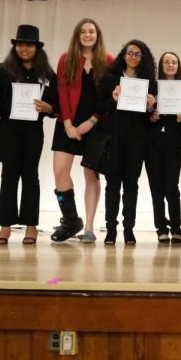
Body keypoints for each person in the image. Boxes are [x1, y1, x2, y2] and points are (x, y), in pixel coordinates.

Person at [0, 25, 58, 245]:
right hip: (8, 128)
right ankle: (5, 226)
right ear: (15, 47)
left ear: (37, 48)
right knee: (9, 175)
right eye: (20, 45)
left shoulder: (47, 74)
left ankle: (31, 226)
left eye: (29, 45)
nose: (24, 49)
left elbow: (55, 106)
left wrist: (49, 109)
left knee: (30, 176)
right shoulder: (2, 70)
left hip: (33, 130)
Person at [51, 18, 114, 243]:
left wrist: (92, 121)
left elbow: (109, 98)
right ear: (77, 35)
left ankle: (88, 227)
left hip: (96, 125)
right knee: (60, 172)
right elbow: (61, 92)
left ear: (98, 35)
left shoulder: (108, 61)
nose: (88, 35)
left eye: (92, 31)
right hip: (68, 124)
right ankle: (71, 220)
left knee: (91, 175)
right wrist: (68, 124)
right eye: (83, 32)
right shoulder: (65, 59)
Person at [100, 40, 157, 246]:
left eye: (138, 54)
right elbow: (101, 106)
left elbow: (151, 118)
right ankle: (111, 229)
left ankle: (129, 229)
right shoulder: (111, 79)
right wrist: (113, 99)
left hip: (137, 140)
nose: (133, 57)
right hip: (114, 139)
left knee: (131, 185)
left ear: (144, 58)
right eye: (129, 53)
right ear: (123, 55)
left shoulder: (149, 82)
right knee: (112, 184)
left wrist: (151, 107)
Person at [147, 52, 181, 245]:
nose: (170, 65)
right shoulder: (152, 87)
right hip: (153, 142)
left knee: (171, 187)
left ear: (178, 65)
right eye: (167, 62)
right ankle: (161, 229)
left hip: (174, 142)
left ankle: (176, 228)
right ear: (161, 65)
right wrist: (150, 115)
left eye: (174, 62)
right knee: (156, 187)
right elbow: (141, 113)